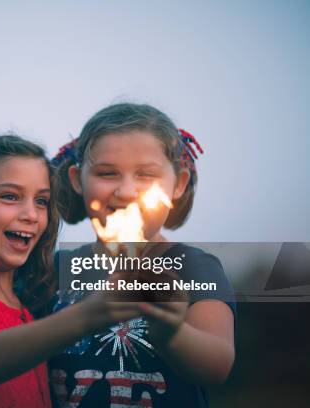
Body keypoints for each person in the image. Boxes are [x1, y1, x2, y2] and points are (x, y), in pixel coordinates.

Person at [0, 134, 145, 407]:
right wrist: (88, 314)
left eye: (42, 201)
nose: (31, 215)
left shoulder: (28, 310)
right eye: (10, 196)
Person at [50, 103, 236, 407]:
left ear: (178, 184)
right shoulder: (56, 268)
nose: (126, 191)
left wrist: (170, 333)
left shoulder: (194, 267)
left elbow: (217, 366)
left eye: (146, 175)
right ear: (76, 179)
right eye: (107, 173)